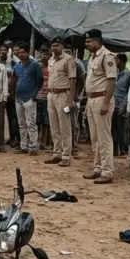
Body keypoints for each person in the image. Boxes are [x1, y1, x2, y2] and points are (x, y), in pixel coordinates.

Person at [82, 28, 117, 184]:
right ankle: (98, 168)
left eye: (89, 41)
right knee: (95, 137)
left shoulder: (107, 56)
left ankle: (107, 171)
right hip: (91, 99)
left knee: (104, 138)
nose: (86, 44)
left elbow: (111, 81)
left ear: (97, 41)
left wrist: (106, 102)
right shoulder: (92, 57)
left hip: (102, 99)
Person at [45, 37, 77, 167]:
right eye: (52, 46)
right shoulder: (51, 60)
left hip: (64, 95)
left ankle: (66, 155)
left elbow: (73, 80)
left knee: (65, 127)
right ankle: (56, 153)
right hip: (51, 95)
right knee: (54, 126)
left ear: (62, 46)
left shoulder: (68, 60)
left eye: (56, 45)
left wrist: (71, 100)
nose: (54, 48)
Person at [12, 42, 43, 155]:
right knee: (21, 123)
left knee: (31, 123)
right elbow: (14, 80)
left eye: (23, 52)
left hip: (30, 98)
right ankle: (23, 146)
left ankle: (33, 147)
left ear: (28, 52)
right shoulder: (17, 66)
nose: (21, 54)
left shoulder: (35, 65)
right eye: (19, 52)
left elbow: (40, 80)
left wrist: (34, 95)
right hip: (18, 98)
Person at [0, 44, 20, 147]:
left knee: (13, 117)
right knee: (4, 117)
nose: (3, 52)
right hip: (0, 94)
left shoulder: (14, 63)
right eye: (1, 50)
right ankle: (3, 138)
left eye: (5, 50)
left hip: (12, 94)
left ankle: (15, 138)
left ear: (9, 52)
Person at [113, 53, 130, 157]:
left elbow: (129, 92)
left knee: (122, 129)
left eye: (117, 60)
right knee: (113, 129)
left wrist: (124, 105)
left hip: (122, 104)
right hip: (113, 104)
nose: (115, 62)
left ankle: (123, 149)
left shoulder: (128, 75)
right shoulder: (114, 73)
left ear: (123, 62)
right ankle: (115, 149)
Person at [35, 46, 51, 149]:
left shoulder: (52, 66)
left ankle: (47, 141)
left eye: (46, 54)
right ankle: (39, 140)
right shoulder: (37, 66)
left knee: (47, 121)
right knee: (38, 120)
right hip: (38, 96)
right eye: (43, 54)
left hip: (49, 96)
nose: (44, 56)